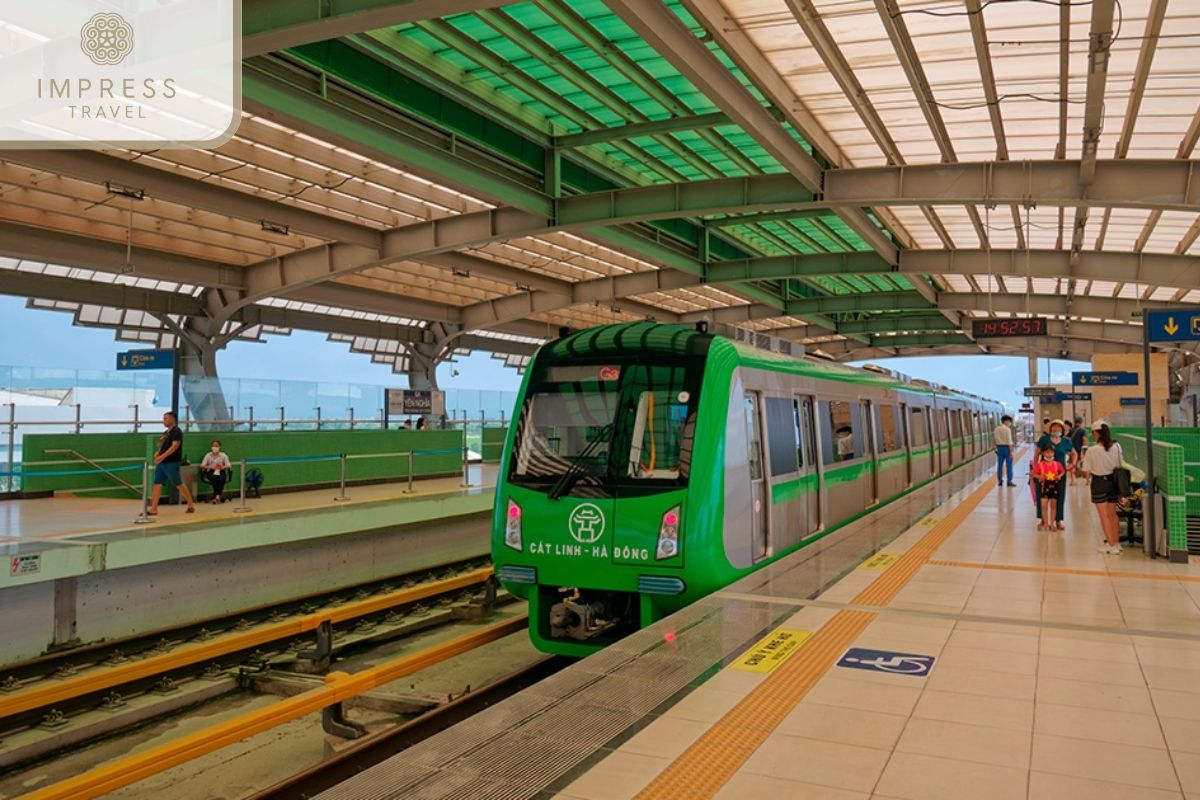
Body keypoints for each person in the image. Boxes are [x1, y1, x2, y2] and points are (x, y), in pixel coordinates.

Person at [1082, 420, 1124, 554]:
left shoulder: (1092, 450)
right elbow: (1120, 464)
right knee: (1113, 514)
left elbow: (1086, 469)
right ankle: (1116, 543)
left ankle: (1110, 545)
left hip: (1099, 483)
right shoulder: (1117, 446)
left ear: (1096, 433)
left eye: (1092, 433)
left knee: (1104, 516)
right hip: (1114, 482)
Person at [148, 411, 196, 515]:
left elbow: (174, 446)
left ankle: (190, 504)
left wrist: (162, 456)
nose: (164, 421)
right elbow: (162, 446)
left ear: (172, 419)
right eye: (163, 418)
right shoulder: (166, 433)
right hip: (162, 463)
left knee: (178, 483)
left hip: (171, 462)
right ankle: (154, 508)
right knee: (157, 484)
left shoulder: (177, 431)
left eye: (166, 418)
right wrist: (158, 453)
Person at [1033, 419, 1075, 529]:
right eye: (1054, 427)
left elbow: (1074, 453)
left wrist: (1072, 465)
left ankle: (1058, 521)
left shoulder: (1066, 442)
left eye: (1058, 427)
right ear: (1050, 428)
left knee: (1059, 496)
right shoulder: (1044, 439)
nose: (1056, 429)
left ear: (1062, 429)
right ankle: (1043, 520)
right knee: (1042, 497)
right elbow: (1036, 454)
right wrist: (1034, 469)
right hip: (1044, 473)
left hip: (1059, 474)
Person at [1031, 445, 1066, 531]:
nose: (1049, 454)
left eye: (1051, 452)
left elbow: (1063, 471)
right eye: (1047, 452)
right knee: (1044, 506)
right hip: (1044, 488)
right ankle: (1045, 523)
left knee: (1053, 506)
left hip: (1054, 487)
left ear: (1053, 453)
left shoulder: (1057, 464)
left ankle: (1052, 523)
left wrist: (1059, 476)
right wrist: (1039, 477)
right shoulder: (1040, 465)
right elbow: (1033, 473)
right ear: (1043, 453)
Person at [200, 440, 232, 504]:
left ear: (219, 447)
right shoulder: (208, 455)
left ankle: (216, 496)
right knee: (215, 479)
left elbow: (229, 465)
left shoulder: (223, 455)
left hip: (221, 471)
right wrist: (210, 467)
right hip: (211, 472)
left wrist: (223, 466)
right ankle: (218, 495)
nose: (214, 447)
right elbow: (202, 465)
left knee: (221, 479)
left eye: (216, 446)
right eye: (213, 446)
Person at [993, 414, 1015, 487]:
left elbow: (995, 440)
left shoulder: (996, 429)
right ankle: (1009, 481)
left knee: (1000, 465)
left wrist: (996, 448)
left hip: (999, 448)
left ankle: (1000, 481)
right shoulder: (1007, 429)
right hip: (1007, 448)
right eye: (1009, 421)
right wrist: (1011, 452)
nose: (1010, 423)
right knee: (1009, 465)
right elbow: (1009, 441)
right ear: (1006, 421)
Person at [1069, 416, 1088, 483]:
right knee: (1085, 465)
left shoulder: (1071, 430)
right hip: (1080, 450)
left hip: (1072, 450)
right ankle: (1087, 481)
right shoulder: (1083, 430)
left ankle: (1072, 481)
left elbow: (1067, 439)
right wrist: (1084, 450)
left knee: (1072, 464)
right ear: (1081, 422)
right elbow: (1084, 440)